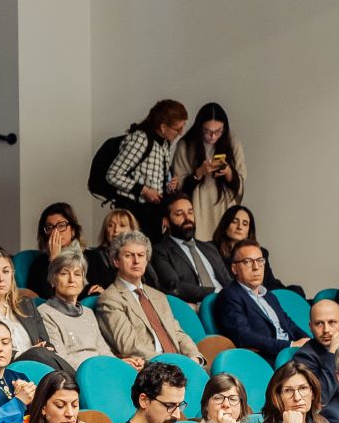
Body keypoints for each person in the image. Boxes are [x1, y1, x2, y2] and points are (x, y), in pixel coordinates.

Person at [96, 231, 204, 366]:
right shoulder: (110, 299)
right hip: (150, 368)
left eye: (141, 255)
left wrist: (194, 357)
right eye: (129, 255)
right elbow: (129, 346)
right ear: (116, 261)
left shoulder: (158, 296)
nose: (136, 261)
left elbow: (177, 333)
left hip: (179, 364)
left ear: (146, 260)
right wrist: (172, 363)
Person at [94, 99, 187, 236]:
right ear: (163, 127)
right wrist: (144, 190)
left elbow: (153, 178)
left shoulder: (164, 144)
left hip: (153, 213)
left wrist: (169, 184)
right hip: (134, 212)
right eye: (177, 129)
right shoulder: (141, 139)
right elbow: (113, 175)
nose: (180, 133)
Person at [0, 248, 61, 371]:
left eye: (6, 271)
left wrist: (45, 349)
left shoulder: (26, 304)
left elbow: (47, 343)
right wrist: (30, 354)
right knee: (40, 355)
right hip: (2, 371)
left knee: (45, 355)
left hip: (39, 367)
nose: (1, 278)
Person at [214, 239, 306, 360]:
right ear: (234, 268)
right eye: (247, 262)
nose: (256, 267)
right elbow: (244, 336)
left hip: (291, 355)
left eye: (260, 261)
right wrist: (290, 345)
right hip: (268, 358)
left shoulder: (269, 296)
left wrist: (310, 343)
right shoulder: (229, 296)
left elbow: (290, 326)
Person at [170, 102, 245, 237]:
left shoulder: (232, 143)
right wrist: (199, 172)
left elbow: (240, 182)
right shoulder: (186, 146)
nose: (213, 136)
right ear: (199, 127)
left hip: (224, 205)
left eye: (218, 131)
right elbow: (179, 189)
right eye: (207, 131)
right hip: (199, 207)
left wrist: (228, 172)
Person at [36, 248, 112, 367]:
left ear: (83, 281)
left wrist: (118, 364)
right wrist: (97, 369)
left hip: (101, 371)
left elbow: (104, 350)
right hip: (76, 375)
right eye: (64, 273)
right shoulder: (45, 313)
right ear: (53, 280)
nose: (72, 279)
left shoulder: (88, 313)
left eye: (77, 274)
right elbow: (60, 358)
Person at [149, 194, 228, 304]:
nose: (187, 218)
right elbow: (174, 286)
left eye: (190, 212)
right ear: (166, 222)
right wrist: (216, 294)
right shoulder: (160, 251)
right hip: (198, 306)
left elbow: (227, 280)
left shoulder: (210, 248)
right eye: (179, 214)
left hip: (228, 302)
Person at [24, 202, 110, 299]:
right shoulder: (39, 263)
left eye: (61, 225)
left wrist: (104, 293)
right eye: (49, 227)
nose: (55, 232)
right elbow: (44, 299)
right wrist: (54, 261)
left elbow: (110, 289)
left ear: (73, 230)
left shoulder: (93, 257)